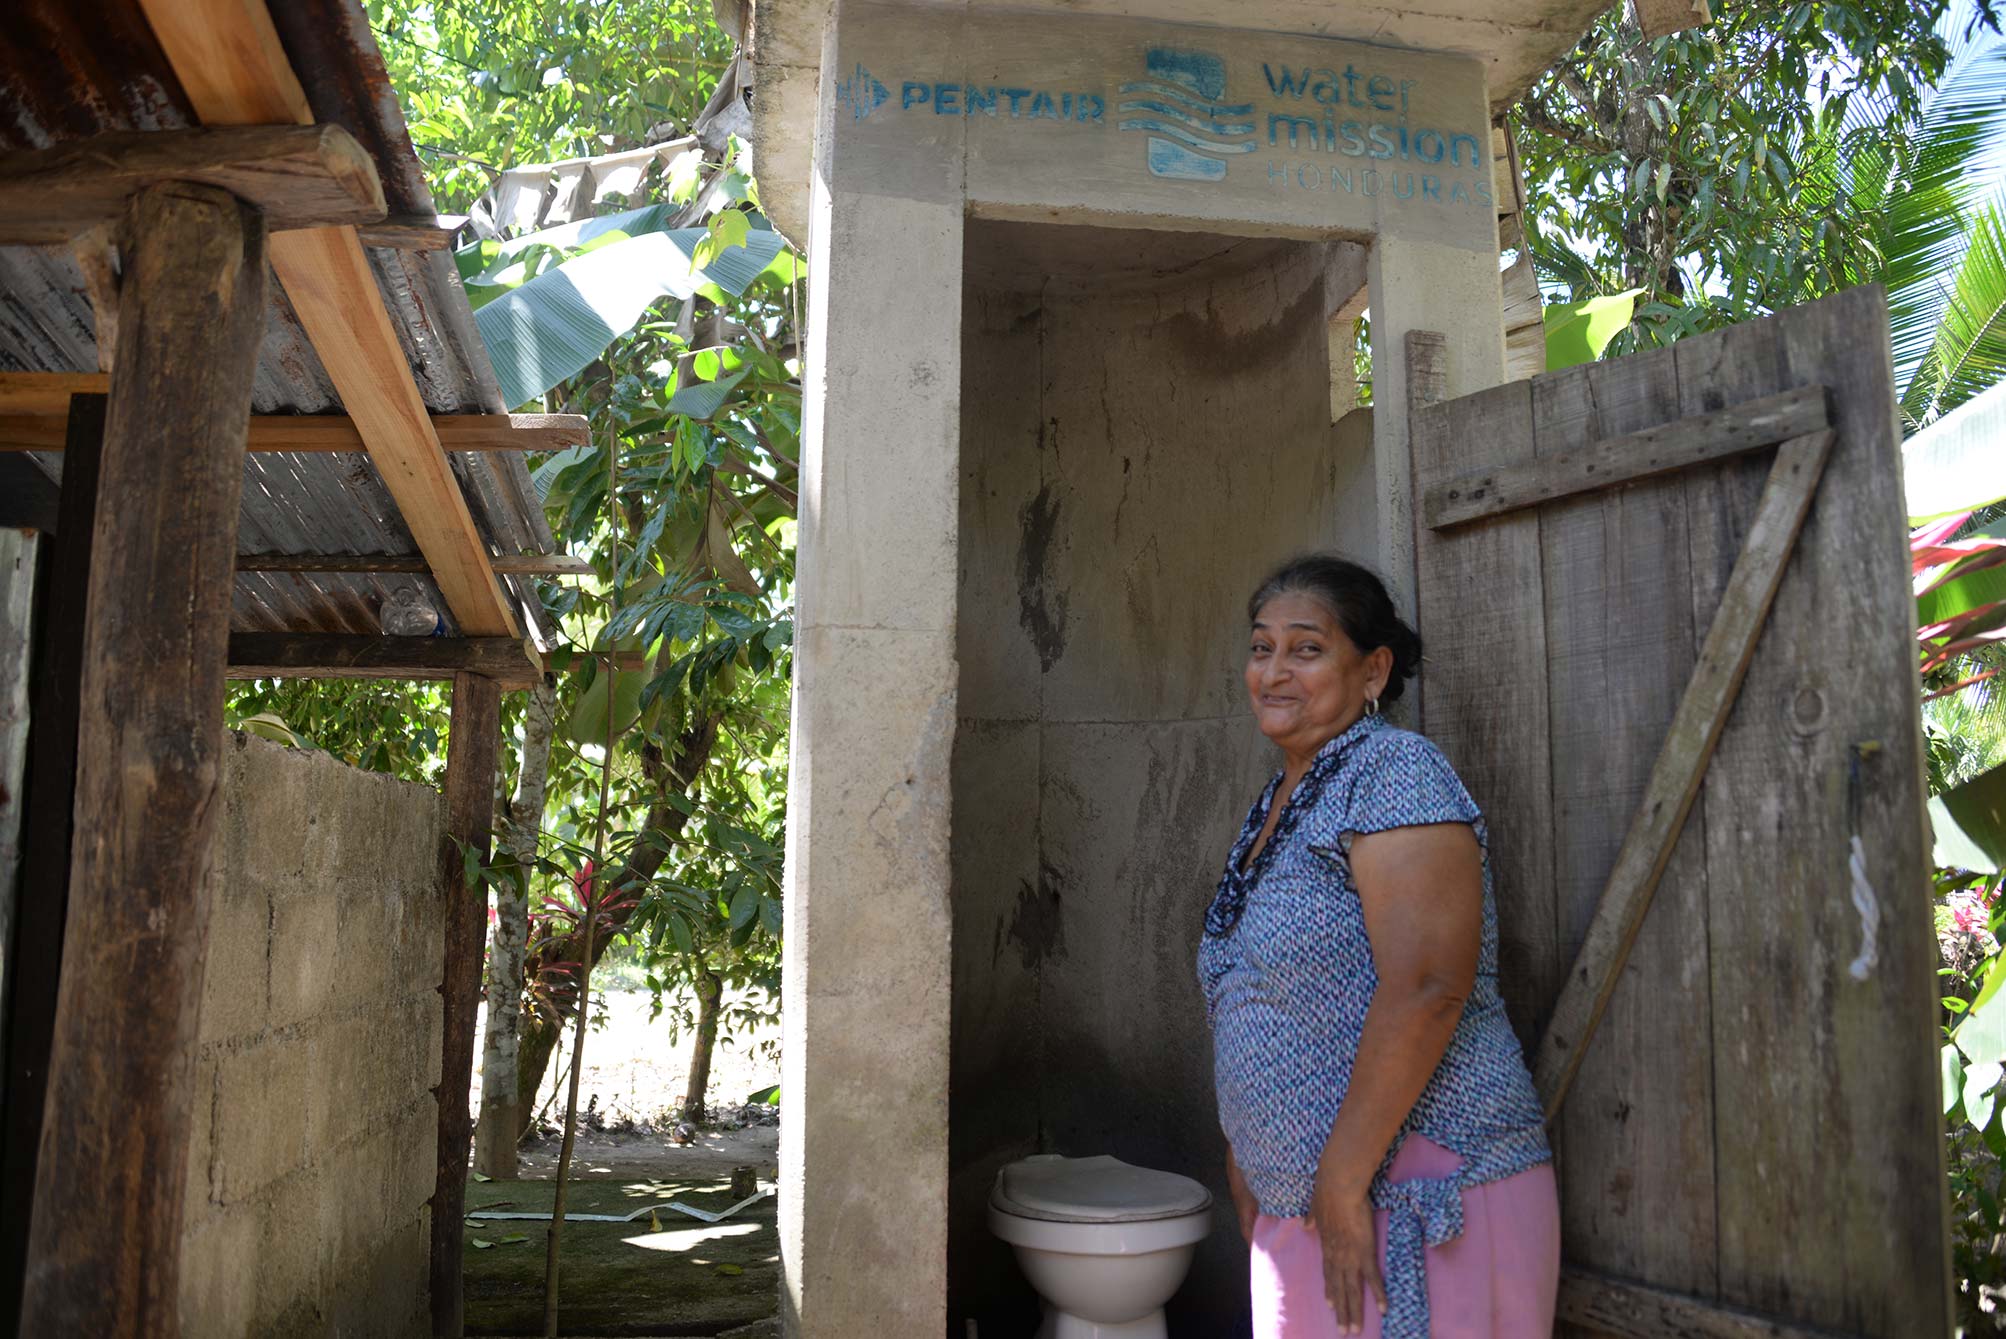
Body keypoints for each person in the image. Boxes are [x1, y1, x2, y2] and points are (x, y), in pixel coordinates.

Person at [1198, 555, 1558, 1338]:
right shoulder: (1285, 797)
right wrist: (1250, 1151)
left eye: (1306, 648)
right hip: (1322, 1204)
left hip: (1422, 1191)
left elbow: (1429, 984)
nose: (1274, 671)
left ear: (1374, 669)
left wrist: (1340, 1175)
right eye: (1262, 649)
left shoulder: (1395, 771)